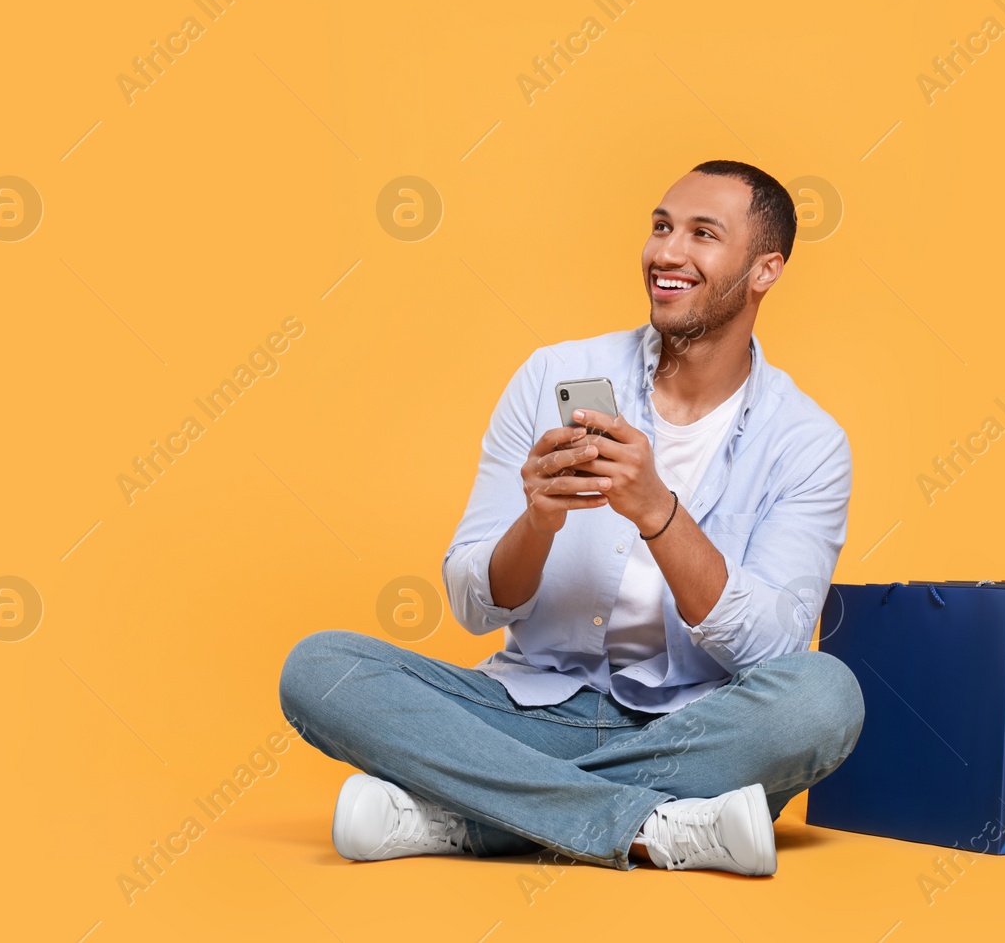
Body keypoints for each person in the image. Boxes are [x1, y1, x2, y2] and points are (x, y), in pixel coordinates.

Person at [279, 159, 863, 875]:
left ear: (766, 269)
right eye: (660, 227)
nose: (666, 253)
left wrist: (658, 512)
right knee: (320, 668)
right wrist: (538, 520)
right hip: (522, 714)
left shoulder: (808, 442)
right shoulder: (552, 374)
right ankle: (655, 825)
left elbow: (772, 651)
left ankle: (469, 816)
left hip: (693, 729)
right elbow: (469, 601)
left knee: (824, 697)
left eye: (702, 234)